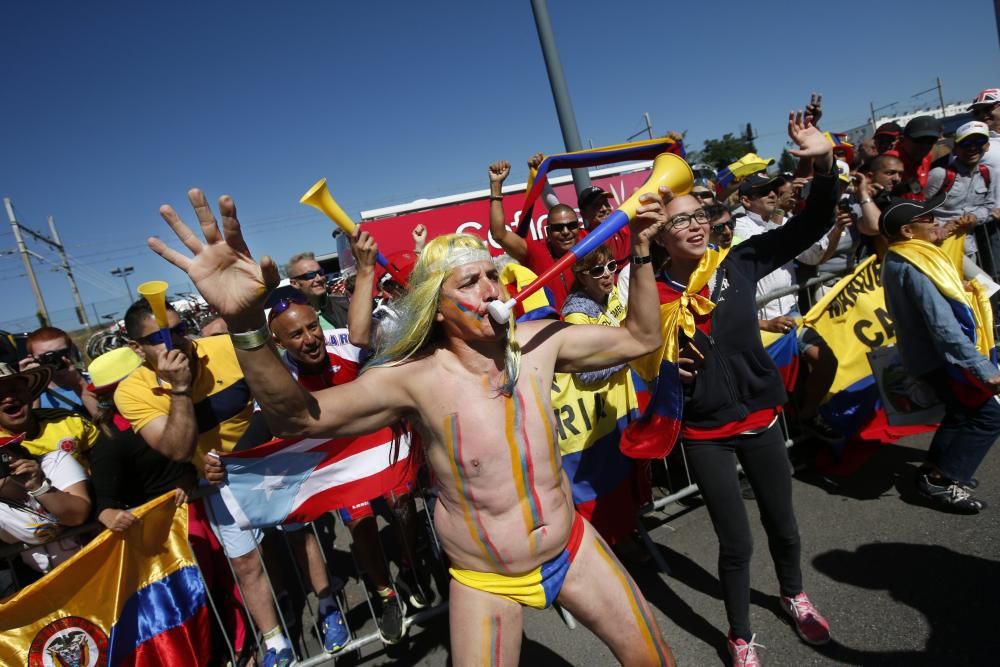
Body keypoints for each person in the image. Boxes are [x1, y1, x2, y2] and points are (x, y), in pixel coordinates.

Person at [149, 183, 675, 666]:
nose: (491, 290)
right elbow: (296, 417)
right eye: (471, 282)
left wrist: (645, 254)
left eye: (494, 275)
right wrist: (245, 325)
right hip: (486, 578)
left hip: (572, 544)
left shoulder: (541, 342)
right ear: (439, 309)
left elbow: (640, 338)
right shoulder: (413, 379)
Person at [649, 112, 835, 666]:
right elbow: (629, 359)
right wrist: (663, 373)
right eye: (680, 221)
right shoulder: (647, 294)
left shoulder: (740, 263)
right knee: (736, 543)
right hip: (705, 434)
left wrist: (822, 164)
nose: (696, 225)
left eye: (700, 215)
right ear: (659, 234)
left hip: (760, 419)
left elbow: (812, 223)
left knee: (783, 523)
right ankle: (738, 634)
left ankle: (795, 595)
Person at [112, 299, 294, 667]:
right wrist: (179, 389)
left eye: (180, 329)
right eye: (161, 336)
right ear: (136, 348)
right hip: (219, 482)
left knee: (300, 540)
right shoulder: (130, 392)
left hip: (273, 461)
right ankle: (275, 641)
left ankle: (325, 605)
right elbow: (177, 449)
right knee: (245, 564)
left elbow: (278, 396)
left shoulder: (224, 347)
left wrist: (249, 450)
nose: (177, 341)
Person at [880, 194, 1000, 513]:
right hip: (944, 359)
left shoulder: (905, 255)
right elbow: (943, 326)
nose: (936, 222)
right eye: (929, 219)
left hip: (932, 358)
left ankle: (934, 471)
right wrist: (984, 369)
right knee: (989, 416)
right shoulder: (914, 263)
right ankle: (943, 481)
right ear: (907, 231)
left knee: (961, 413)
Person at [554, 246, 649, 553]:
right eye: (597, 270)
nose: (607, 274)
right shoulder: (577, 314)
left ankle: (629, 532)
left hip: (622, 406)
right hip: (600, 420)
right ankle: (615, 547)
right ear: (581, 277)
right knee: (610, 489)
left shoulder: (611, 297)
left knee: (628, 481)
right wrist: (631, 351)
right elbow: (585, 374)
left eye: (610, 265)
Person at [85, 347, 198, 532]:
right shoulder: (111, 440)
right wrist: (108, 514)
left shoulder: (177, 406)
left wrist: (189, 475)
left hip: (196, 509)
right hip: (163, 529)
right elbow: (103, 498)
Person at [0, 364, 92, 576]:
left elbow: (78, 513)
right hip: (33, 581)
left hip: (94, 550)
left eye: (14, 390)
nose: (8, 398)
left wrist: (39, 486)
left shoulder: (67, 423)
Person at [487, 160, 587, 310]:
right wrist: (496, 186)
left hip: (594, 326)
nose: (566, 232)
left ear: (579, 227)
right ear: (548, 232)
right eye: (558, 228)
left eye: (571, 226)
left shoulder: (591, 242)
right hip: (556, 330)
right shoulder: (537, 252)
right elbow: (499, 234)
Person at [925, 121, 1000, 276]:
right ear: (956, 148)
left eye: (979, 142)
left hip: (969, 246)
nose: (973, 148)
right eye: (966, 143)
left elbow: (992, 208)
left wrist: (975, 218)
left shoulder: (990, 173)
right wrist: (937, 227)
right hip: (940, 245)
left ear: (986, 146)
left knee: (973, 292)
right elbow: (918, 207)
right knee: (983, 286)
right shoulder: (940, 174)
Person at [20, 326, 98, 417]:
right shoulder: (26, 395)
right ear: (31, 359)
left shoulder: (94, 381)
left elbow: (105, 421)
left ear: (71, 352)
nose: (55, 360)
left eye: (61, 353)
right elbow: (30, 427)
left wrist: (79, 383)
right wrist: (31, 385)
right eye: (46, 357)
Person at [286, 251, 351, 331]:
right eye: (310, 275)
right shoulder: (291, 319)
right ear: (295, 283)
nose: (319, 278)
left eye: (320, 272)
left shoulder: (347, 305)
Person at [892, 115, 942, 200]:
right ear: (903, 139)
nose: (925, 146)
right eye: (919, 140)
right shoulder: (890, 160)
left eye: (931, 141)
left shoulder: (927, 157)